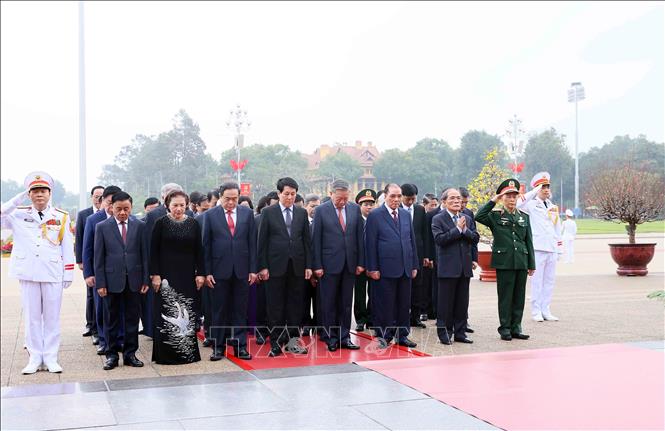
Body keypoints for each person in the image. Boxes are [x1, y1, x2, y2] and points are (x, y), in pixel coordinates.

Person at [1, 172, 75, 374]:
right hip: (28, 273)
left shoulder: (61, 216)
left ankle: (51, 358)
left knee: (52, 317)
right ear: (29, 194)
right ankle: (34, 358)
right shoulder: (17, 214)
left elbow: (67, 246)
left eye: (43, 190)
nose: (39, 195)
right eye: (34, 191)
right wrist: (17, 199)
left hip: (52, 272)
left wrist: (68, 273)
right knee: (32, 318)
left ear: (50, 193)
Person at [93, 191, 150, 370]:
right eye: (119, 209)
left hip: (134, 280)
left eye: (126, 209)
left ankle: (130, 354)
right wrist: (100, 283)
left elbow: (145, 255)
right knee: (111, 320)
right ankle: (111, 355)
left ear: (131, 207)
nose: (123, 212)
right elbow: (98, 257)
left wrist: (145, 280)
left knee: (132, 319)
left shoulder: (140, 226)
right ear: (111, 208)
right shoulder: (102, 227)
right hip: (111, 282)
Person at [257, 177, 312, 357]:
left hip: (297, 266)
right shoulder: (268, 212)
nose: (289, 197)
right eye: (286, 194)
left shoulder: (301, 213)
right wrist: (263, 266)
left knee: (295, 306)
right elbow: (262, 242)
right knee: (275, 307)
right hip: (274, 267)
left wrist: (308, 266)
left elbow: (306, 241)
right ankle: (275, 343)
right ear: (279, 193)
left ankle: (293, 342)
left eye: (293, 194)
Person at [149, 190, 205, 364]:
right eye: (175, 205)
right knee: (167, 312)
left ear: (187, 205)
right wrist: (155, 275)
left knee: (187, 311)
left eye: (182, 205)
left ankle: (187, 353)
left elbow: (199, 251)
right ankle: (166, 355)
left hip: (187, 276)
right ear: (167, 205)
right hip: (166, 276)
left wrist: (201, 273)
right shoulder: (160, 223)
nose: (179, 208)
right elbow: (153, 252)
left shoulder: (194, 224)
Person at [203, 182, 257, 361]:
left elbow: (252, 243)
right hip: (219, 271)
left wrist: (252, 270)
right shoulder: (210, 215)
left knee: (240, 311)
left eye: (235, 199)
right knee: (219, 310)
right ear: (220, 197)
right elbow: (206, 245)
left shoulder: (247, 214)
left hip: (242, 270)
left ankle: (240, 346)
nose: (231, 202)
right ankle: (218, 347)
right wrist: (207, 271)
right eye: (227, 199)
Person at [475, 179, 535, 341]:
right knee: (505, 297)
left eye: (514, 196)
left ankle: (517, 327)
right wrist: (493, 200)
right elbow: (479, 216)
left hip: (521, 260)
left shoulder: (524, 217)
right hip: (505, 262)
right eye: (508, 196)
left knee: (519, 296)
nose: (511, 199)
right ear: (502, 198)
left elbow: (528, 241)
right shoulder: (495, 216)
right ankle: (505, 328)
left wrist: (531, 264)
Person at [312, 180, 364, 351]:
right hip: (328, 265)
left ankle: (344, 336)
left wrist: (360, 262)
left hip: (349, 263)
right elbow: (316, 240)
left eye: (345, 198)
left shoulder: (354, 209)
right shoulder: (321, 211)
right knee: (329, 302)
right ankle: (330, 337)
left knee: (346, 302)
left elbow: (359, 238)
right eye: (339, 198)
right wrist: (317, 265)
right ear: (331, 194)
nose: (342, 202)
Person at [365, 184, 419, 349]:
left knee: (404, 304)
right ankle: (384, 336)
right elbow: (370, 244)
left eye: (398, 196)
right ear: (385, 196)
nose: (396, 199)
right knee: (384, 305)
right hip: (384, 269)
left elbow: (411, 241)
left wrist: (414, 264)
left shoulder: (404, 214)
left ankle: (402, 335)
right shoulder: (375, 215)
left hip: (405, 267)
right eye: (392, 196)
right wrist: (372, 268)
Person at [142, 183, 193, 338]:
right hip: (163, 269)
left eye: (181, 203)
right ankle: (156, 333)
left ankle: (183, 336)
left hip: (185, 269)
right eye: (173, 201)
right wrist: (153, 272)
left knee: (183, 306)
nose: (178, 206)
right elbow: (150, 246)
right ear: (165, 199)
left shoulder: (190, 215)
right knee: (163, 305)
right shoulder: (154, 216)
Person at [431, 188, 479, 345]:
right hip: (447, 268)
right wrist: (457, 229)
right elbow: (440, 240)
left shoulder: (467, 218)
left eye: (458, 198)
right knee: (445, 303)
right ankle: (444, 333)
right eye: (452, 198)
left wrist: (464, 230)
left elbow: (475, 238)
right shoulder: (438, 219)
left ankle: (460, 332)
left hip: (464, 268)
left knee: (462, 303)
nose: (457, 201)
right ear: (444, 202)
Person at [83, 185, 123, 356]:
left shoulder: (124, 219)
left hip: (120, 273)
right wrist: (89, 274)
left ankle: (120, 339)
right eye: (109, 202)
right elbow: (87, 249)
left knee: (120, 308)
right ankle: (103, 339)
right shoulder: (94, 220)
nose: (111, 206)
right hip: (101, 273)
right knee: (101, 308)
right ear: (102, 201)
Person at [517, 172, 562, 322]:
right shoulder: (530, 204)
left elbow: (557, 228)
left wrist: (559, 248)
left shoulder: (552, 206)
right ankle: (536, 311)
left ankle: (546, 309)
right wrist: (535, 191)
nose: (546, 189)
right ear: (537, 189)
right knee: (537, 282)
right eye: (543, 187)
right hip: (537, 248)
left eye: (548, 186)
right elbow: (519, 204)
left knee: (549, 281)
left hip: (551, 248)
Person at [76, 185, 104, 343]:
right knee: (91, 294)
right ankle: (91, 324)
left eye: (102, 196)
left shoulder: (109, 213)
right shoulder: (84, 215)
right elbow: (80, 238)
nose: (99, 199)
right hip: (90, 261)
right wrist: (80, 260)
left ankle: (98, 328)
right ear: (92, 197)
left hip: (105, 262)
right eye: (96, 196)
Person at [400, 183, 428, 328]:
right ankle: (401, 317)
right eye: (408, 199)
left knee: (418, 286)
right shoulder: (396, 210)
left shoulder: (419, 210)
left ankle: (415, 317)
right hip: (401, 254)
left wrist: (426, 255)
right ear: (402, 196)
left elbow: (425, 233)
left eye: (413, 199)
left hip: (418, 253)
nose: (410, 202)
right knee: (403, 286)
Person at [353, 188, 376, 332]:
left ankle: (371, 318)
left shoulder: (377, 220)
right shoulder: (355, 221)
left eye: (371, 204)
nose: (368, 207)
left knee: (374, 292)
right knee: (360, 293)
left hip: (374, 263)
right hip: (359, 264)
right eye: (365, 204)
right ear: (359, 206)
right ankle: (360, 319)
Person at [459, 187, 478, 334]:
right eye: (462, 201)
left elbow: (474, 239)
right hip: (450, 260)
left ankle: (463, 322)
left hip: (466, 259)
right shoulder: (442, 216)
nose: (463, 205)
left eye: (466, 202)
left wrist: (474, 258)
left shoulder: (469, 214)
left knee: (464, 295)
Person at [302, 193, 321, 335]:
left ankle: (318, 323)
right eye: (312, 206)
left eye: (317, 206)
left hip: (320, 267)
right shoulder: (301, 221)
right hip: (304, 268)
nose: (315, 209)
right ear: (305, 206)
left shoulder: (322, 221)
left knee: (319, 298)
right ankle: (306, 322)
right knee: (304, 297)